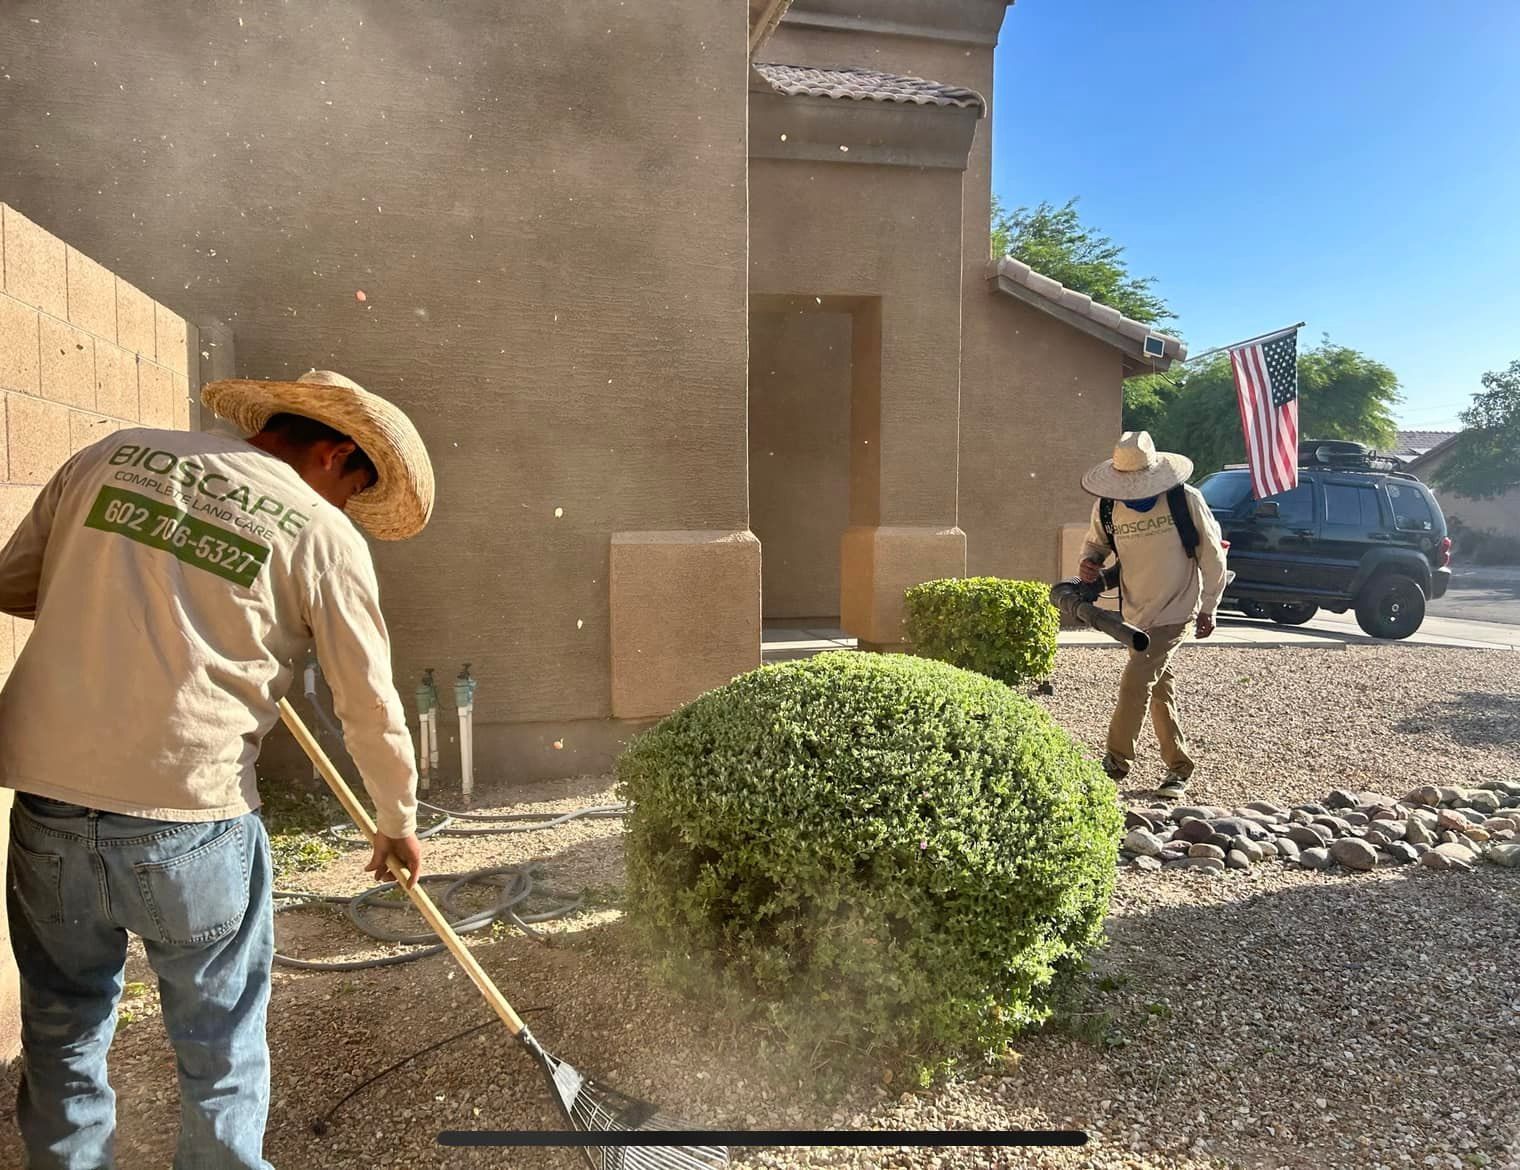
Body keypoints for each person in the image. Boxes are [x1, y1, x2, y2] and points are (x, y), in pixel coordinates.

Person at [0, 369, 434, 1169]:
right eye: (352, 489)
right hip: (191, 817)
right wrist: (395, 820)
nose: (346, 509)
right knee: (219, 1049)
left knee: (63, 1036)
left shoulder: (111, 455)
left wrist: (123, 596)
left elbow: (15, 583)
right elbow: (368, 703)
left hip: (50, 806)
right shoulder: (321, 532)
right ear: (336, 453)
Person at [1076, 431, 1227, 802]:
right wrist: (1089, 563)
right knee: (1159, 690)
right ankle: (1179, 767)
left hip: (1176, 608)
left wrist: (1209, 606)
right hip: (1135, 613)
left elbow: (1212, 554)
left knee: (1135, 682)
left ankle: (1114, 763)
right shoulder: (1108, 506)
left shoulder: (1184, 500)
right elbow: (1096, 544)